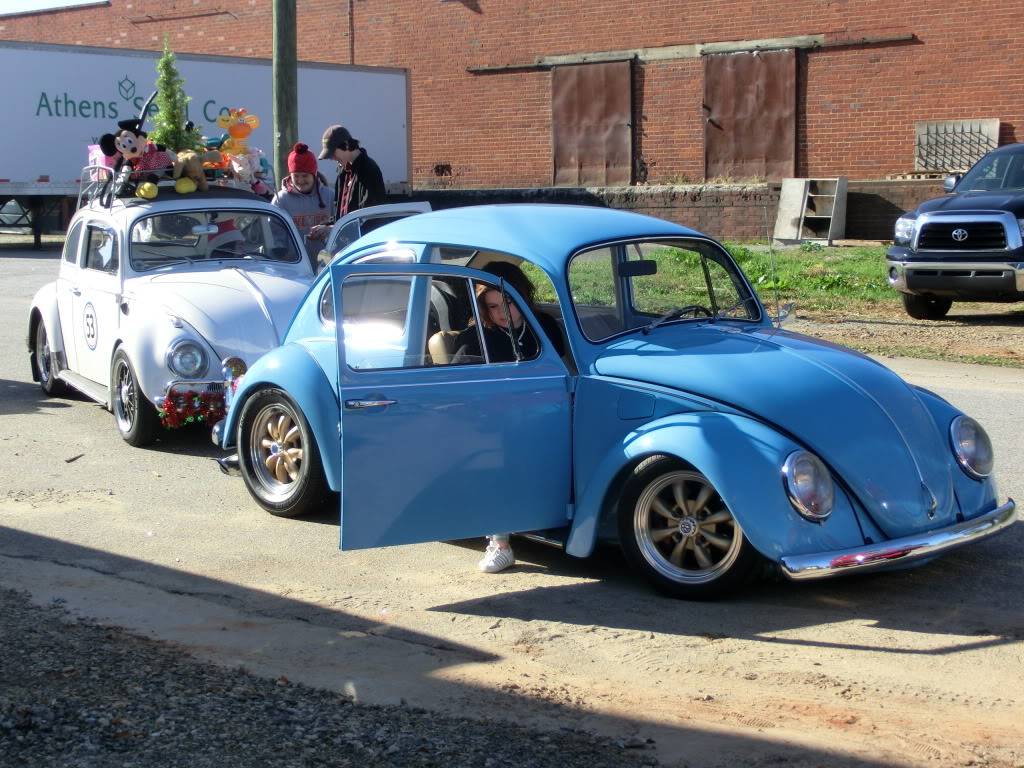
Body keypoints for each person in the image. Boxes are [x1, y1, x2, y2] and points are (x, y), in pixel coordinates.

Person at [453, 261, 566, 573]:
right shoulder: (475, 337)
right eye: (492, 306)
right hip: (496, 416)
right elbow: (466, 392)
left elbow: (561, 370)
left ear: (523, 297)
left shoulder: (543, 325)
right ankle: (500, 542)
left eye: (508, 302)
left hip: (546, 408)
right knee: (506, 445)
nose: (502, 312)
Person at [270, 143, 332, 262]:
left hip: (326, 263)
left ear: (313, 174)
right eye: (296, 176)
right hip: (294, 265)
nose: (300, 180)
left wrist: (328, 229)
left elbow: (340, 227)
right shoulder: (280, 200)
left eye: (305, 176)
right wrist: (282, 254)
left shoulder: (329, 196)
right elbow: (274, 233)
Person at [318, 124, 386, 220]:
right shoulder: (342, 171)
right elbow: (340, 214)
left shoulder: (368, 170)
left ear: (346, 145)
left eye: (333, 153)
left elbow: (369, 216)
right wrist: (327, 227)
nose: (332, 158)